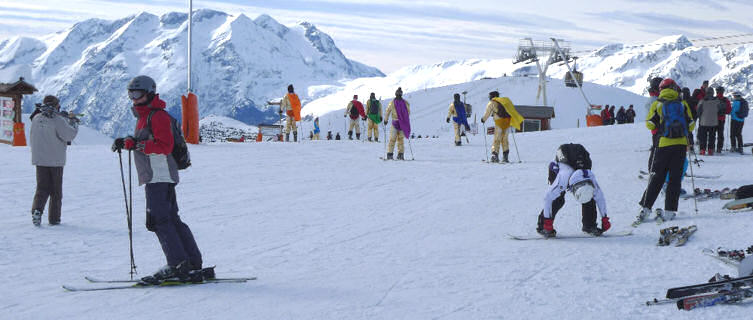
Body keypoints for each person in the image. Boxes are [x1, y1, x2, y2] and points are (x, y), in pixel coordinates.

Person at [111, 75, 204, 284]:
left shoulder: (157, 116)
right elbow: (147, 140)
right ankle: (191, 263)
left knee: (160, 221)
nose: (133, 99)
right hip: (157, 175)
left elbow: (164, 146)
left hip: (159, 175)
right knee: (170, 219)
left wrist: (137, 145)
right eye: (130, 94)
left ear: (149, 93)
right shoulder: (145, 116)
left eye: (137, 94)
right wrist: (129, 142)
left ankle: (177, 264)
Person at [637, 78, 695, 223]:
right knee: (675, 179)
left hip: (663, 145)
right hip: (680, 146)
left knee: (657, 178)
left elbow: (650, 124)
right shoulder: (682, 104)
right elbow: (692, 125)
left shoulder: (657, 104)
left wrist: (660, 128)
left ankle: (645, 208)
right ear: (675, 88)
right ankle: (669, 211)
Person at [537, 143, 610, 238]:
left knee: (589, 198)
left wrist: (604, 218)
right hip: (556, 168)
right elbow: (548, 198)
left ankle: (590, 226)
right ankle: (543, 226)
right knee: (558, 199)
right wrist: (547, 221)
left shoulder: (590, 178)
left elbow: (600, 198)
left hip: (575, 164)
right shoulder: (563, 178)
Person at [29, 95, 79, 226]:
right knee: (56, 191)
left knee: (41, 188)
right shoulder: (58, 120)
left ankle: (37, 210)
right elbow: (69, 135)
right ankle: (54, 218)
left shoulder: (36, 118)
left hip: (39, 160)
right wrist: (73, 122)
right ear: (57, 106)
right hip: (56, 161)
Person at [481, 91, 523, 163]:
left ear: (492, 96)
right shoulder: (504, 102)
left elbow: (487, 113)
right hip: (507, 122)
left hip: (499, 122)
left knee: (497, 139)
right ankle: (505, 157)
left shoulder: (492, 103)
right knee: (505, 139)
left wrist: (483, 119)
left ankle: (495, 156)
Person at [384, 87, 411, 160]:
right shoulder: (405, 103)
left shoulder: (392, 102)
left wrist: (386, 120)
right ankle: (400, 154)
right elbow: (408, 113)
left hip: (395, 122)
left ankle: (390, 154)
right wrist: (404, 120)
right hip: (402, 123)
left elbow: (387, 111)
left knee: (392, 139)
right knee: (400, 140)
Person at [696, 87, 721, 155]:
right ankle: (710, 150)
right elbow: (719, 110)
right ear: (713, 93)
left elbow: (698, 111)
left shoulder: (702, 101)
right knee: (712, 137)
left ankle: (702, 150)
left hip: (703, 122)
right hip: (713, 122)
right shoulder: (717, 101)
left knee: (703, 137)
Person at [714, 87, 732, 153]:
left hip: (714, 119)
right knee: (720, 134)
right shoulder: (726, 100)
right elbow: (729, 110)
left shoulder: (714, 99)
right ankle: (719, 148)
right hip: (722, 119)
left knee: (712, 134)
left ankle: (711, 148)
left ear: (717, 91)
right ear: (723, 92)